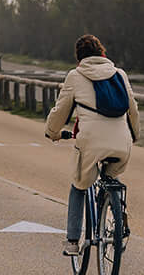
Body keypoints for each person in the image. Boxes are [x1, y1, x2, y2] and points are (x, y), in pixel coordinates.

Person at [43, 33, 137, 256]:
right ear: (102, 53)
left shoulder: (75, 76)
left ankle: (73, 241)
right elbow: (133, 109)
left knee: (79, 183)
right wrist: (134, 136)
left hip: (91, 142)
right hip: (122, 142)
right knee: (112, 177)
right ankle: (117, 221)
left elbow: (61, 111)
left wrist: (52, 132)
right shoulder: (120, 74)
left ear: (79, 57)